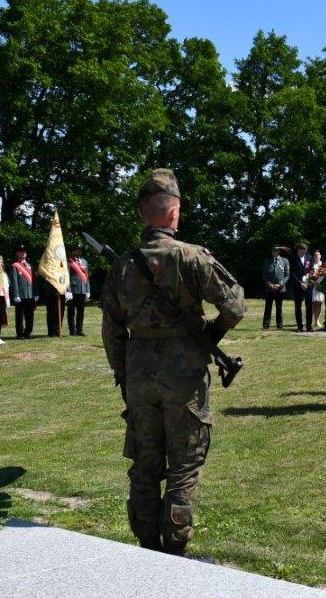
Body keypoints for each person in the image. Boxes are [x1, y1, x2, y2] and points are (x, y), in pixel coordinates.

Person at [100, 168, 246, 557]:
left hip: (139, 374)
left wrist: (124, 375)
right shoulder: (192, 257)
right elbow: (234, 305)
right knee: (183, 466)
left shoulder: (122, 266)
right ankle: (175, 551)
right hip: (182, 375)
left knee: (145, 465)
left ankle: (146, 545)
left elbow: (112, 332)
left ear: (142, 213)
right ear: (174, 212)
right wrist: (210, 336)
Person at [9, 246, 37, 339]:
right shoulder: (14, 266)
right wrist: (16, 294)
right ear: (17, 253)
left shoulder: (29, 265)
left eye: (24, 251)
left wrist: (36, 292)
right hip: (20, 295)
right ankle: (20, 334)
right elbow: (14, 281)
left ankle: (28, 332)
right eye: (21, 252)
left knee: (30, 315)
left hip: (30, 294)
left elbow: (34, 280)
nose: (23, 253)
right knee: (19, 316)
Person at [261, 245, 289, 330]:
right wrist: (269, 284)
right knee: (268, 307)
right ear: (271, 252)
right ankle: (266, 325)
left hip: (280, 288)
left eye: (276, 251)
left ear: (279, 252)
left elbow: (287, 275)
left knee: (279, 307)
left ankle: (279, 326)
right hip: (269, 288)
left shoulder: (285, 261)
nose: (275, 252)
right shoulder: (267, 261)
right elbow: (264, 275)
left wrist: (280, 284)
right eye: (273, 251)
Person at [288, 243, 312, 331]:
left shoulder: (309, 257)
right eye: (302, 251)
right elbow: (292, 273)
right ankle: (299, 326)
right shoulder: (293, 258)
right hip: (298, 285)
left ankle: (309, 326)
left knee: (309, 305)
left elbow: (312, 270)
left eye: (305, 252)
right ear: (298, 250)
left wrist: (307, 282)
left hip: (308, 285)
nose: (304, 253)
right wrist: (300, 283)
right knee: (298, 306)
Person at [67, 246, 90, 336]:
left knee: (81, 311)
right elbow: (67, 276)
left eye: (80, 250)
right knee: (71, 311)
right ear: (73, 251)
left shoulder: (84, 261)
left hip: (82, 289)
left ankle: (79, 329)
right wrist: (68, 290)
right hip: (72, 290)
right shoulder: (69, 261)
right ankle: (72, 330)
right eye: (77, 250)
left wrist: (88, 290)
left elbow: (87, 276)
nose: (79, 251)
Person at [308, 249, 324, 330]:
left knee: (319, 303)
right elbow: (308, 275)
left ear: (320, 256)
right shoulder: (310, 264)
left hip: (321, 286)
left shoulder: (323, 265)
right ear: (313, 256)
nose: (316, 256)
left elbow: (325, 276)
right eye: (315, 255)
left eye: (318, 254)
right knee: (313, 303)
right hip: (313, 286)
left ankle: (317, 320)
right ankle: (312, 320)